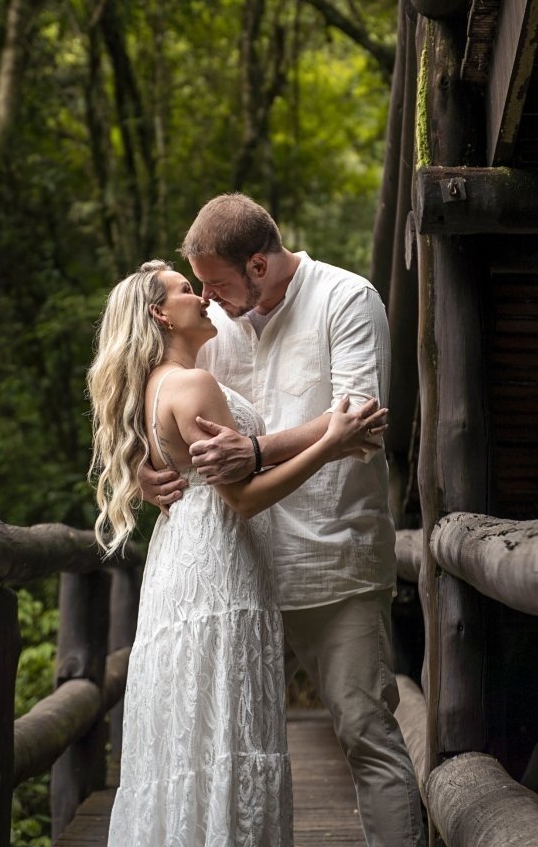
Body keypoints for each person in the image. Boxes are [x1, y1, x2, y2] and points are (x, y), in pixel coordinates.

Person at [141, 194, 425, 847]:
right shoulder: (213, 324)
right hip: (236, 573)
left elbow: (361, 421)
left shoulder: (345, 299)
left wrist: (258, 450)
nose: (206, 298)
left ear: (259, 265)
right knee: (224, 749)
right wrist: (141, 467)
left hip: (332, 560)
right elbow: (156, 395)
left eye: (216, 283)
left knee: (365, 732)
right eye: (198, 286)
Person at [88, 259, 386, 847]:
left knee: (192, 731)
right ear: (159, 314)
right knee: (226, 727)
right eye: (185, 289)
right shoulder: (194, 383)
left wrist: (145, 473)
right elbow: (245, 498)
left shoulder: (153, 385)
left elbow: (163, 455)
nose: (201, 297)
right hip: (219, 562)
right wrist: (330, 444)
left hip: (180, 561)